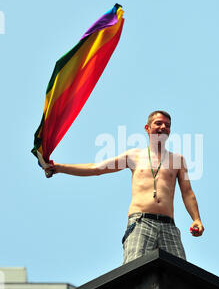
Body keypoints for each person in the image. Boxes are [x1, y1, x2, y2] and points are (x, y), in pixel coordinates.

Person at [44, 110, 204, 264]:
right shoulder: (134, 156)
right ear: (147, 128)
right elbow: (96, 168)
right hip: (141, 221)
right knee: (134, 269)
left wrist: (196, 219)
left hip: (169, 225)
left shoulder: (178, 160)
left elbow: (187, 192)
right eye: (158, 123)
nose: (163, 127)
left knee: (178, 274)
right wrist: (59, 167)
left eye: (167, 125)